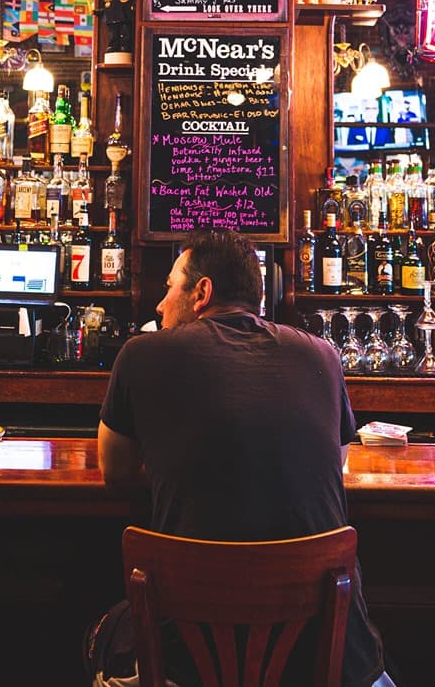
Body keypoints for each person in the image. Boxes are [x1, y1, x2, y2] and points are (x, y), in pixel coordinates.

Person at [96, 231, 392, 687]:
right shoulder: (323, 354)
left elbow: (114, 471)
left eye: (169, 286)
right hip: (331, 663)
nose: (159, 304)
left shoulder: (141, 353)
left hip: (188, 666)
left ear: (202, 292)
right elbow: (338, 461)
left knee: (101, 634)